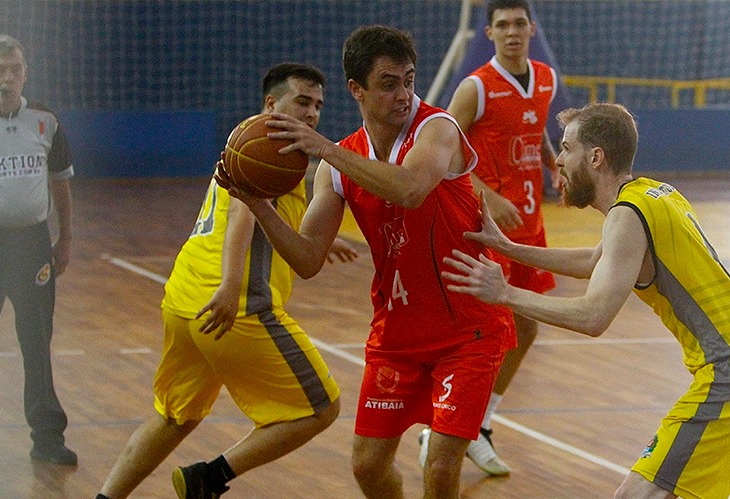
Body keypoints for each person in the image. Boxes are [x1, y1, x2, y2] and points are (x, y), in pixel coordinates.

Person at [217, 25, 516, 499]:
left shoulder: (437, 128)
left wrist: (323, 150)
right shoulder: (341, 163)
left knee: (439, 468)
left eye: (409, 80)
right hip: (398, 334)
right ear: (356, 89)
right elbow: (308, 258)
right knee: (368, 467)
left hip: (468, 330)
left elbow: (411, 189)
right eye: (388, 83)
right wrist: (257, 204)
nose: (404, 94)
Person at [442, 102, 730, 499]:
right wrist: (508, 248)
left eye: (567, 148)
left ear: (595, 157)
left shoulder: (627, 214)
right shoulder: (655, 194)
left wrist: (503, 293)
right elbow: (596, 260)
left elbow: (594, 316)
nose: (557, 160)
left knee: (637, 494)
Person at [97, 62, 357, 499]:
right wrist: (230, 287)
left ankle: (105, 497)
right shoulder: (272, 145)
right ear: (272, 104)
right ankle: (208, 478)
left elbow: (256, 212)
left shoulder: (246, 136)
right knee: (321, 407)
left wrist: (309, 239)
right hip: (232, 305)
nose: (313, 114)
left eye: (318, 106)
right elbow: (242, 214)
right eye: (303, 102)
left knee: (174, 416)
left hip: (183, 296)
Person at [430, 0, 564, 476]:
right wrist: (488, 194)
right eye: (502, 25)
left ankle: (480, 425)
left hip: (530, 227)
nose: (512, 31)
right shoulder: (475, 88)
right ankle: (444, 424)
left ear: (532, 28)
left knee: (526, 328)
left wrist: (554, 165)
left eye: (519, 23)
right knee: (488, 332)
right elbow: (442, 150)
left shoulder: (545, 79)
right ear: (488, 32)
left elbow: (538, 131)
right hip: (488, 228)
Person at [0, 34, 77, 466]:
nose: (6, 78)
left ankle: (47, 438)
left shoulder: (44, 121)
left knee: (36, 341)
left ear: (25, 72)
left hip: (31, 247)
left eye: (14, 69)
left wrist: (64, 240)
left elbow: (61, 183)